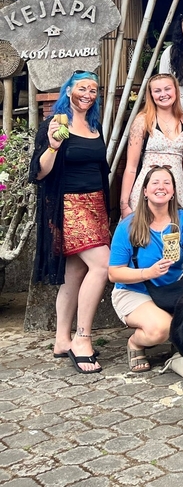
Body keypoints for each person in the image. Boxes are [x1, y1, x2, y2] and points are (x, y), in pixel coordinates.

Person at [29, 71, 110, 374]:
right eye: (82, 88)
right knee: (101, 265)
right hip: (69, 204)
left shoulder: (94, 125)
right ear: (69, 91)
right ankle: (82, 339)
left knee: (75, 273)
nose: (88, 93)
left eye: (93, 89)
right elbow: (38, 173)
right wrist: (52, 145)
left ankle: (62, 339)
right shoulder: (54, 124)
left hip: (97, 203)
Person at [108, 166, 183, 373]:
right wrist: (148, 273)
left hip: (173, 288)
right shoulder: (128, 225)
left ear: (173, 191)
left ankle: (181, 346)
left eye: (166, 183)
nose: (161, 187)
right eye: (155, 183)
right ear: (145, 191)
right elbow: (114, 273)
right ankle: (135, 343)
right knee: (161, 329)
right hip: (134, 289)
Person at [119, 73, 183, 219]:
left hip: (177, 187)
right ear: (151, 95)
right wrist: (124, 203)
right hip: (149, 185)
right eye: (157, 91)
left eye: (167, 89)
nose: (163, 94)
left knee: (175, 234)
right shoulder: (143, 120)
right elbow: (131, 166)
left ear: (175, 90)